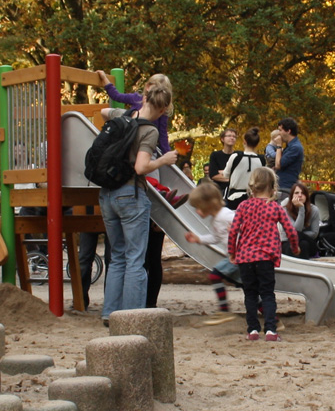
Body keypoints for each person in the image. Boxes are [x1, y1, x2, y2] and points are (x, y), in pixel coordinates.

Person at [98, 86, 178, 325]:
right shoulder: (149, 130)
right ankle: (132, 316)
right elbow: (141, 167)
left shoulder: (123, 117)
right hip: (131, 194)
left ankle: (109, 312)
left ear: (143, 99)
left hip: (107, 194)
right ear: (164, 109)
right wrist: (163, 159)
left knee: (118, 256)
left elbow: (103, 111)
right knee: (135, 257)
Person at [227, 167, 299, 342]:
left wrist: (232, 253)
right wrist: (295, 247)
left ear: (252, 186)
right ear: (272, 187)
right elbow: (291, 230)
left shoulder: (243, 206)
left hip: (245, 258)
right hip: (266, 258)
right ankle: (270, 330)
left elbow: (233, 231)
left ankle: (252, 330)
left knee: (250, 294)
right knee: (267, 293)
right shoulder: (275, 208)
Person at [97, 69, 185, 208]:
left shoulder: (161, 114)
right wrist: (105, 80)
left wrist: (168, 154)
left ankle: (162, 193)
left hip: (149, 146)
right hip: (136, 144)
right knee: (148, 169)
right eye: (152, 85)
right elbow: (116, 96)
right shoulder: (136, 99)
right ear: (147, 86)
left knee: (152, 172)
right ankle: (160, 193)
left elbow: (162, 135)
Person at [185, 182, 238, 323]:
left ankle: (225, 311)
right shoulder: (215, 219)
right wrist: (198, 239)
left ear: (209, 204)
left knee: (215, 275)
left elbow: (243, 224)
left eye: (198, 207)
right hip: (234, 256)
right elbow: (215, 237)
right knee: (249, 288)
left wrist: (237, 230)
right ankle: (274, 320)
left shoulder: (225, 215)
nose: (196, 211)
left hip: (239, 256)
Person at [220, 126, 265, 209]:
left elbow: (226, 175)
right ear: (257, 143)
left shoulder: (236, 156)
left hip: (234, 198)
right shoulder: (261, 159)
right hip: (254, 199)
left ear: (244, 141)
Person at [280, 182, 321, 259]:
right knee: (303, 244)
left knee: (302, 240)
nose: (299, 195)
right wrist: (301, 209)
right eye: (296, 193)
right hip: (287, 241)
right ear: (292, 196)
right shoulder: (285, 209)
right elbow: (295, 230)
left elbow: (314, 233)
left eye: (303, 193)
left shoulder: (314, 210)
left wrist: (301, 235)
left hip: (309, 242)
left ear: (306, 196)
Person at [272, 117, 304, 201]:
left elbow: (278, 165)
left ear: (288, 131)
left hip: (286, 188)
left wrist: (279, 146)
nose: (279, 133)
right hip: (281, 186)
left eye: (280, 130)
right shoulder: (290, 146)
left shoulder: (295, 147)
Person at [207, 128, 238, 196]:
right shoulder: (215, 155)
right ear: (222, 139)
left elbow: (240, 174)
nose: (232, 138)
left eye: (234, 136)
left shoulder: (238, 155)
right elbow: (213, 175)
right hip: (219, 191)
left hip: (235, 192)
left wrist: (221, 172)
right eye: (229, 136)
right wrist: (233, 177)